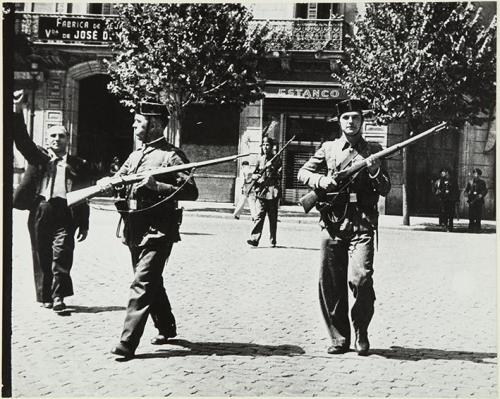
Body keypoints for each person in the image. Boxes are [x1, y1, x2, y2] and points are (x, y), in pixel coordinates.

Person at [97, 101, 198, 359]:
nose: (133, 125)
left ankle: (127, 343)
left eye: (138, 122)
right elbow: (121, 183)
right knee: (152, 282)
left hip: (158, 231)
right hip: (134, 228)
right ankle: (166, 326)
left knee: (142, 283)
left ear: (153, 124)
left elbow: (191, 191)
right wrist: (109, 185)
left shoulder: (172, 156)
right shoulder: (135, 155)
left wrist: (157, 187)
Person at [298, 99, 391, 356]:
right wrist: (321, 180)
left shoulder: (374, 149)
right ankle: (339, 338)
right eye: (346, 118)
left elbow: (385, 188)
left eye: (355, 118)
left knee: (361, 278)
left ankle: (361, 329)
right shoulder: (328, 149)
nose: (351, 122)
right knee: (331, 283)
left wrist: (373, 172)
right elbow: (302, 173)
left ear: (363, 121)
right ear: (339, 122)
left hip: (362, 223)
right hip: (332, 222)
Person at [12, 90, 90, 312]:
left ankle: (59, 298)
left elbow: (84, 196)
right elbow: (21, 139)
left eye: (61, 136)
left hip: (65, 212)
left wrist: (84, 223)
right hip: (41, 209)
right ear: (47, 139)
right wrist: (17, 110)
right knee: (41, 254)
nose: (57, 139)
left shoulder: (77, 164)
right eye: (53, 136)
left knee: (62, 253)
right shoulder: (38, 157)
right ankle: (45, 295)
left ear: (68, 139)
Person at [246, 136, 282, 248]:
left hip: (272, 193)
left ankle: (273, 241)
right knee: (259, 216)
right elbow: (252, 175)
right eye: (264, 145)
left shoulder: (277, 159)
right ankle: (254, 239)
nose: (265, 147)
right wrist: (255, 176)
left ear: (271, 147)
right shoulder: (259, 159)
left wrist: (272, 168)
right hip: (261, 192)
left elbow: (280, 176)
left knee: (272, 218)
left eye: (267, 145)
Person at [464, 168, 488, 233]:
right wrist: (466, 193)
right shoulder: (470, 182)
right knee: (471, 215)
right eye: (474, 173)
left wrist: (481, 195)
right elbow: (466, 190)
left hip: (478, 201)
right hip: (471, 201)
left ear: (479, 175)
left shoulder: (482, 182)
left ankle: (478, 228)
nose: (475, 175)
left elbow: (485, 190)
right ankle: (471, 228)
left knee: (478, 215)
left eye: (476, 173)